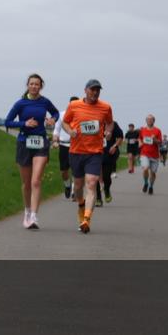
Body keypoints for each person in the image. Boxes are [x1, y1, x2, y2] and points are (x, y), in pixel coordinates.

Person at [3, 74, 60, 229]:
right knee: (26, 183)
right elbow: (7, 121)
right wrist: (24, 123)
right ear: (27, 85)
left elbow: (56, 113)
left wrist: (52, 120)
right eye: (32, 84)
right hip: (24, 143)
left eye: (37, 84)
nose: (34, 86)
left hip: (41, 142)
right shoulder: (20, 103)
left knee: (36, 181)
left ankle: (34, 216)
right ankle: (27, 211)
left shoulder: (45, 102)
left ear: (41, 86)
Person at [61, 79, 114, 233]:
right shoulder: (74, 105)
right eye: (92, 89)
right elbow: (65, 122)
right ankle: (81, 204)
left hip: (95, 153)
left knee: (91, 184)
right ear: (85, 90)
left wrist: (109, 131)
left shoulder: (105, 107)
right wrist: (69, 131)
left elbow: (110, 123)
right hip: (76, 151)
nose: (95, 92)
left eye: (97, 90)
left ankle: (86, 219)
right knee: (78, 186)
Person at [52, 95, 80, 200]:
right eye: (72, 104)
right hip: (64, 145)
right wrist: (55, 141)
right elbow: (56, 130)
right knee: (64, 171)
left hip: (77, 145)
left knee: (75, 169)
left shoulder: (81, 116)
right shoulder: (61, 115)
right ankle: (67, 185)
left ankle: (74, 192)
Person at [95, 121, 124, 205]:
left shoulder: (113, 124)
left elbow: (120, 137)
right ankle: (98, 198)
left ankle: (106, 190)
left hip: (109, 153)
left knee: (106, 177)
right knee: (95, 176)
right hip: (95, 153)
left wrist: (115, 146)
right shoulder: (93, 123)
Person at [138, 115, 164, 195]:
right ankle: (146, 183)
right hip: (144, 153)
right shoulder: (142, 130)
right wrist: (140, 142)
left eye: (151, 120)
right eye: (148, 119)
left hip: (155, 155)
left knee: (153, 173)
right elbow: (139, 138)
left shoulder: (157, 130)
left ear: (153, 121)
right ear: (146, 121)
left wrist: (155, 139)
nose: (149, 121)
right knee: (145, 168)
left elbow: (160, 143)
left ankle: (151, 186)